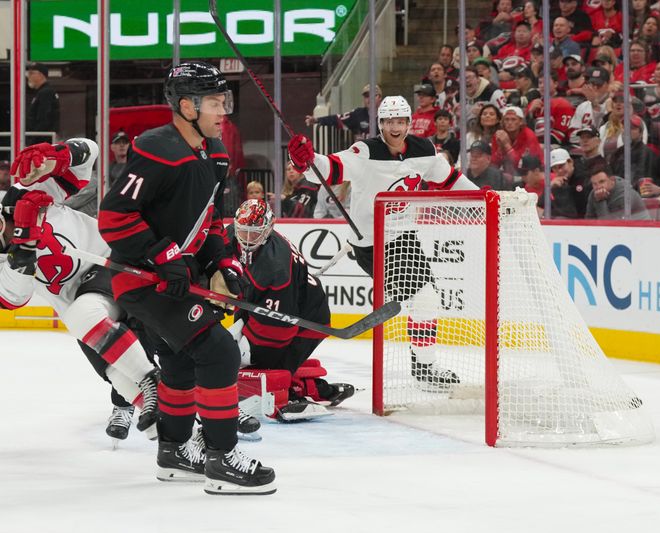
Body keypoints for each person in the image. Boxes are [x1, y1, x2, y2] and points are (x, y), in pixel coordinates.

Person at [97, 61, 274, 495]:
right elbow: (113, 216)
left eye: (223, 101)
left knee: (178, 361)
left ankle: (174, 452)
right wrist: (162, 253)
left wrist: (220, 263)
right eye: (214, 102)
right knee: (218, 354)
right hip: (141, 280)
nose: (222, 112)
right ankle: (222, 458)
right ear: (186, 106)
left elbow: (210, 220)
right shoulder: (157, 148)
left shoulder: (214, 153)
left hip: (177, 278)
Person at [287, 95, 479, 389]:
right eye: (389, 121)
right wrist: (305, 160)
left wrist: (485, 200)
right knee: (424, 298)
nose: (395, 127)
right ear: (380, 124)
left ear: (409, 123)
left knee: (425, 300)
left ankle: (423, 364)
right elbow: (330, 169)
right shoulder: (365, 151)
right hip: (371, 243)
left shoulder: (424, 149)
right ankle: (424, 366)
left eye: (400, 121)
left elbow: (450, 179)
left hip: (404, 236)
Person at [0, 176, 160, 446]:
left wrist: (55, 158)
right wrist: (22, 255)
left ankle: (153, 380)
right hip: (80, 303)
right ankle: (179, 439)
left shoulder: (20, 197)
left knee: (82, 317)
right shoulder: (5, 259)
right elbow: (12, 299)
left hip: (110, 261)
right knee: (114, 372)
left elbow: (88, 159)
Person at [226, 199, 355, 420]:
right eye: (243, 231)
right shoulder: (230, 234)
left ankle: (304, 391)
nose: (247, 239)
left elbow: (278, 331)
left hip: (307, 319)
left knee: (265, 363)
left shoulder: (276, 268)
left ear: (267, 230)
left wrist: (248, 356)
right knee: (235, 354)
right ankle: (311, 386)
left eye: (254, 233)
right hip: (259, 304)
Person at [305, 84, 382, 141]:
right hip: (361, 157)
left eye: (372, 95)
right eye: (366, 96)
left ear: (380, 97)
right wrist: (317, 120)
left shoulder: (386, 116)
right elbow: (337, 119)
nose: (369, 99)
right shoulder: (357, 114)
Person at [585, 166, 650, 220]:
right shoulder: (594, 194)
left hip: (641, 231)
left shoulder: (624, 195)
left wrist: (600, 201)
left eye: (602, 182)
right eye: (594, 184)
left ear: (612, 180)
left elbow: (611, 227)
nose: (598, 187)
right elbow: (588, 220)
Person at [25, 63, 60, 144]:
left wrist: (33, 140)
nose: (29, 76)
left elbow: (44, 119)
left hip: (42, 141)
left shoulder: (46, 92)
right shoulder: (41, 92)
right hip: (40, 139)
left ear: (40, 75)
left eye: (31, 73)